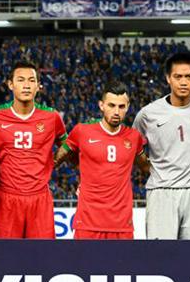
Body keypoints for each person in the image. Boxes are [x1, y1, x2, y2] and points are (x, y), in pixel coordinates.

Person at [134, 52, 190, 240]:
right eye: (178, 77)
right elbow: (133, 147)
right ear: (168, 79)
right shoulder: (148, 113)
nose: (183, 82)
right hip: (161, 192)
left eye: (188, 76)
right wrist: (149, 168)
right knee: (161, 257)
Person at [0, 61, 66, 238]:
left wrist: (53, 161)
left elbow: (68, 146)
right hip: (6, 198)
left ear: (38, 86)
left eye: (31, 80)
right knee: (4, 260)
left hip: (40, 198)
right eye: (21, 80)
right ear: (11, 84)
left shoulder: (52, 117)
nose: (26, 85)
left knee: (42, 260)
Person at [54, 82, 148, 239]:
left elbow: (147, 167)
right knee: (83, 265)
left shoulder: (134, 137)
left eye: (121, 106)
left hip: (122, 225)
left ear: (128, 107)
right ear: (101, 105)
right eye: (111, 105)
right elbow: (56, 160)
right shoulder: (82, 132)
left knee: (121, 264)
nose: (116, 111)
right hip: (87, 223)